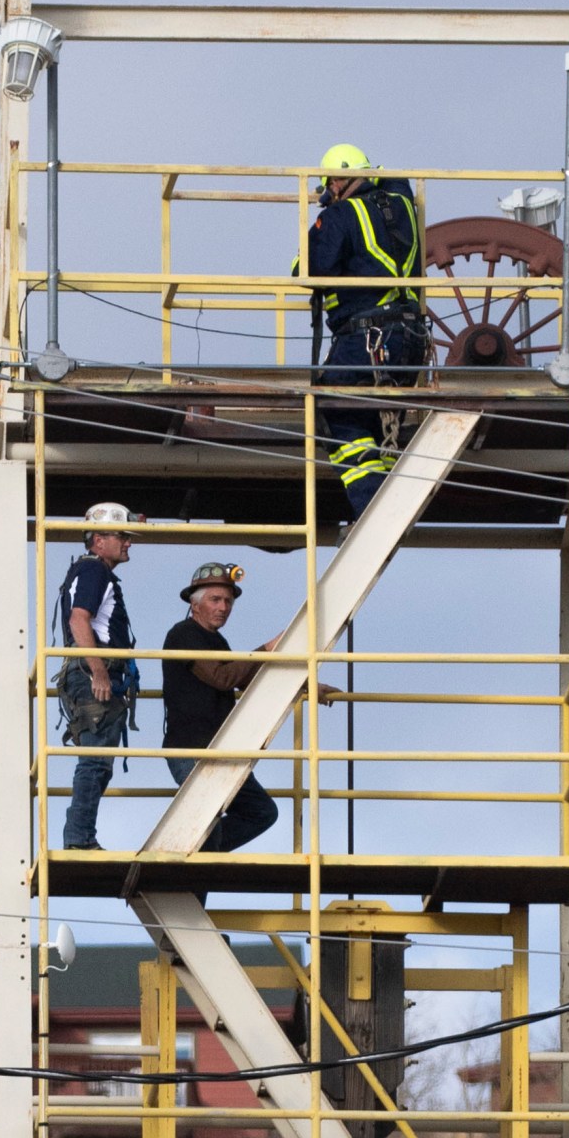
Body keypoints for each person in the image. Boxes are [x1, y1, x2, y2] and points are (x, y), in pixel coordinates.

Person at [300, 145, 430, 520]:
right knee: (372, 424)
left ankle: (375, 509)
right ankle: (385, 496)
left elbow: (310, 271)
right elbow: (396, 181)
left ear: (337, 182)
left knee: (332, 409)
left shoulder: (341, 214)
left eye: (329, 184)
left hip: (368, 340)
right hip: (410, 342)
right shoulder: (405, 204)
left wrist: (321, 221)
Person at [160, 562, 281, 851]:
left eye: (228, 601)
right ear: (195, 604)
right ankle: (194, 860)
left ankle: (195, 856)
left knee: (261, 812)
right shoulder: (183, 635)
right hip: (193, 751)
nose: (224, 607)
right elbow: (222, 677)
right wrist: (267, 650)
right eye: (216, 599)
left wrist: (308, 687)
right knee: (207, 828)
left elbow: (244, 677)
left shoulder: (217, 642)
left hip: (220, 752)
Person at [57, 501, 144, 850]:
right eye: (121, 535)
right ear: (98, 540)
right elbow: (80, 619)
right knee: (94, 762)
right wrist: (99, 673)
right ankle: (79, 839)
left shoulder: (92, 571)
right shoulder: (94, 572)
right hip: (94, 675)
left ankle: (81, 837)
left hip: (92, 675)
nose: (128, 542)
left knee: (99, 762)